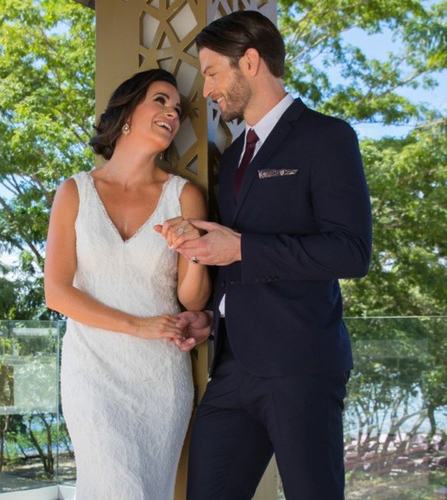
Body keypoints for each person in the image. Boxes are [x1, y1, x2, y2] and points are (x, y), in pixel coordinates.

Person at [164, 10, 372, 499]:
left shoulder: (328, 137)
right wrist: (213, 318)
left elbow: (351, 252)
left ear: (250, 61)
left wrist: (241, 247)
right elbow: (239, 269)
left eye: (213, 72)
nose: (208, 89)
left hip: (301, 366)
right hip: (232, 369)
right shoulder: (234, 157)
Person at [43, 68, 211, 499]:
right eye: (160, 101)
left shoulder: (184, 196)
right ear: (127, 113)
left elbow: (190, 298)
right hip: (92, 373)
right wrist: (137, 325)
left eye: (177, 109)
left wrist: (195, 250)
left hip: (160, 378)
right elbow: (57, 292)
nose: (172, 113)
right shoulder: (74, 192)